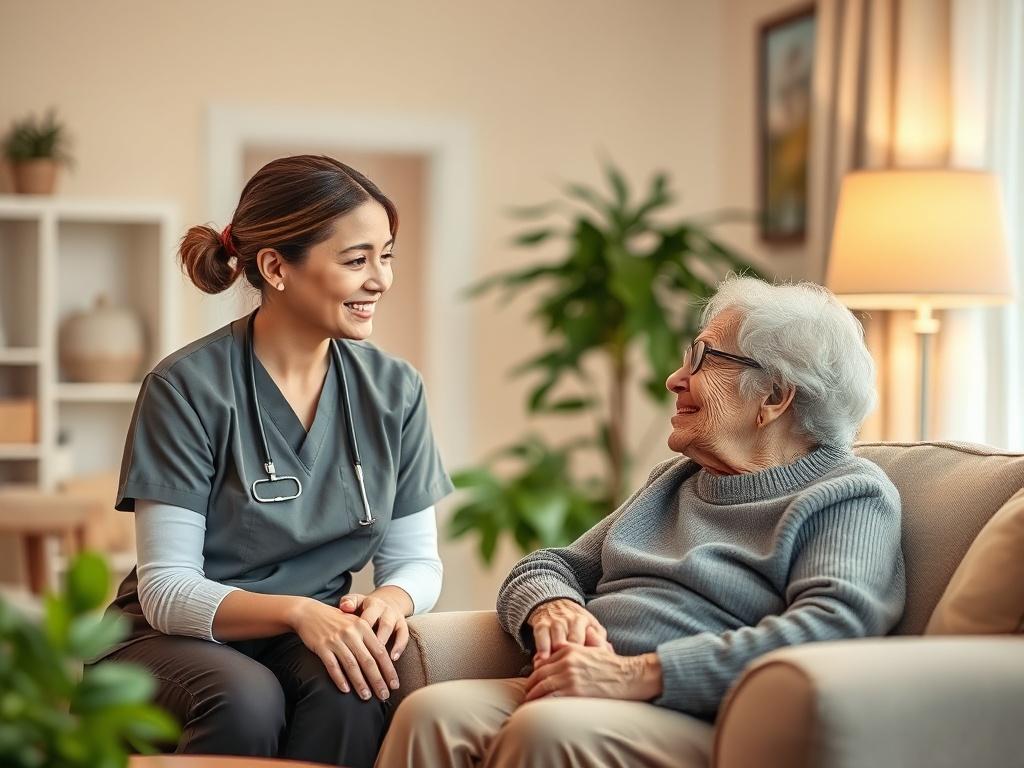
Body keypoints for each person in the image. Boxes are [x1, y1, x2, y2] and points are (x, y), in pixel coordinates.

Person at [378, 277, 906, 768]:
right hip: (583, 687)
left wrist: (638, 675)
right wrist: (552, 606)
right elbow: (550, 565)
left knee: (548, 729)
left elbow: (834, 627)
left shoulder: (848, 495)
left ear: (773, 396)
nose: (674, 378)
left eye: (702, 359)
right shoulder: (677, 480)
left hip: (699, 714)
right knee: (431, 714)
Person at [96, 155, 453, 768]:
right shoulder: (186, 388)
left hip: (305, 633)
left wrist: (389, 603)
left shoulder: (395, 390)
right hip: (173, 638)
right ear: (274, 267)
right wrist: (298, 611)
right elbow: (165, 589)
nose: (381, 280)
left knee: (358, 687)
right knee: (244, 699)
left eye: (386, 255)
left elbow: (416, 561)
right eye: (356, 259)